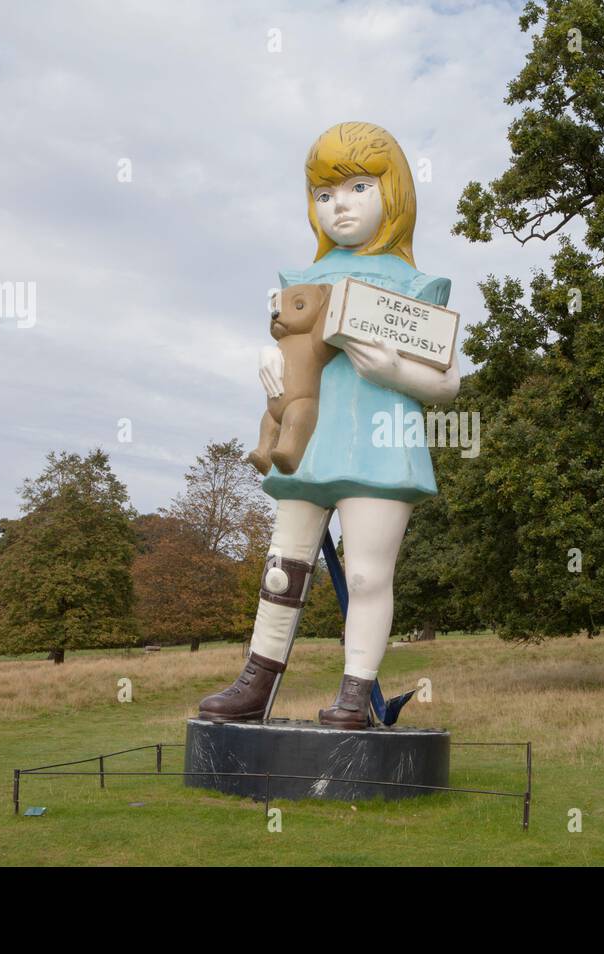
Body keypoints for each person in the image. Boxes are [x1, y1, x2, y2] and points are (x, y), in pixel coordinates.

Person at [197, 122, 460, 729]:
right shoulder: (301, 280)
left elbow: (447, 382)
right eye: (323, 193)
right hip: (309, 442)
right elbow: (285, 342)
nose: (339, 205)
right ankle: (254, 685)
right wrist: (270, 364)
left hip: (381, 444)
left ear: (393, 193)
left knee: (368, 573)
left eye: (358, 187)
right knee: (282, 566)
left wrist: (394, 367)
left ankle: (353, 694)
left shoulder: (420, 287)